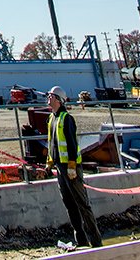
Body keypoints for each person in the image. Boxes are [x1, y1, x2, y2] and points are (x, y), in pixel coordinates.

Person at [46, 85, 103, 251]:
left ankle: (96, 242)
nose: (48, 99)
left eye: (51, 96)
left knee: (82, 204)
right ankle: (81, 240)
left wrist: (72, 166)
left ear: (58, 99)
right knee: (69, 203)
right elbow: (53, 143)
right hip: (59, 167)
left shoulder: (66, 119)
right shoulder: (52, 118)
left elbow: (71, 144)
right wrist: (49, 163)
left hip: (70, 168)